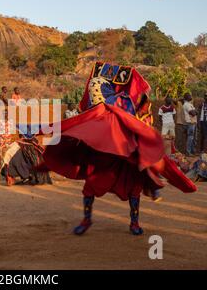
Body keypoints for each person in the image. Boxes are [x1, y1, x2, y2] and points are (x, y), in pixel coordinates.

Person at [41, 63, 197, 236]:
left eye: (97, 92)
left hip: (124, 157)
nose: (94, 94)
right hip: (101, 158)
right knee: (90, 187)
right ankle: (86, 219)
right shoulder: (95, 112)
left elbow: (141, 123)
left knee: (134, 187)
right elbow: (78, 125)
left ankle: (134, 222)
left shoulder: (124, 103)